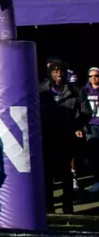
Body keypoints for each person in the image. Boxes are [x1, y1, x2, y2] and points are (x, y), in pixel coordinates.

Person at [39, 58, 89, 215]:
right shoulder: (41, 91)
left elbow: (86, 112)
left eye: (60, 71)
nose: (58, 74)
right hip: (47, 136)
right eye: (54, 72)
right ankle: (49, 208)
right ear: (50, 74)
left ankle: (68, 208)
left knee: (66, 174)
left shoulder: (76, 91)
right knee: (47, 174)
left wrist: (73, 125)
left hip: (66, 137)